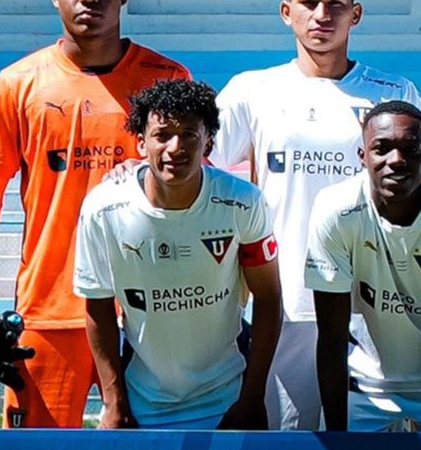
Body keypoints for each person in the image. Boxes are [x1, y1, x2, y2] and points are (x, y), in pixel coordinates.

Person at [209, 0, 421, 430]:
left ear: (355, 14)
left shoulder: (392, 92)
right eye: (309, 3)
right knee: (292, 448)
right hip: (290, 302)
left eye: (336, 4)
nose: (322, 15)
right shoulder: (253, 90)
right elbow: (195, 162)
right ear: (287, 12)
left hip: (374, 304)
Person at [0, 0, 189, 427]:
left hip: (150, 309)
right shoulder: (19, 82)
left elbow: (194, 187)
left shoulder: (167, 79)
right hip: (49, 309)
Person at [73, 80, 281, 429]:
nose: (175, 147)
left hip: (228, 399)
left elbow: (269, 297)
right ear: (141, 142)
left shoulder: (242, 202)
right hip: (143, 402)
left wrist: (252, 396)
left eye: (188, 134)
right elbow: (98, 306)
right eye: (163, 135)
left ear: (208, 141)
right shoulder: (103, 209)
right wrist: (113, 401)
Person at [306, 101, 421, 432]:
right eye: (382, 148)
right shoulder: (335, 210)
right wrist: (338, 438)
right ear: (362, 156)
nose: (397, 160)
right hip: (365, 387)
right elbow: (331, 336)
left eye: (411, 149)